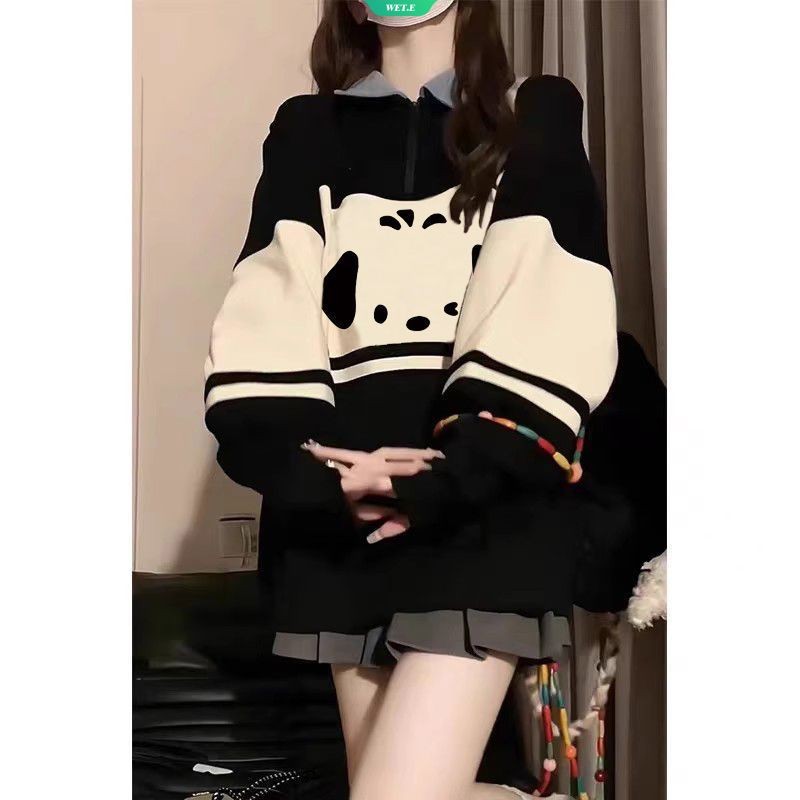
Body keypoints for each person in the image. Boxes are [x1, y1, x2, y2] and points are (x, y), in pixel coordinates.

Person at [204, 2, 664, 798]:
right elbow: (267, 307)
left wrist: (454, 475)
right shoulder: (306, 131)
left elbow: (551, 301)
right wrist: (317, 473)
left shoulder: (536, 114)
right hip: (346, 528)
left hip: (484, 514)